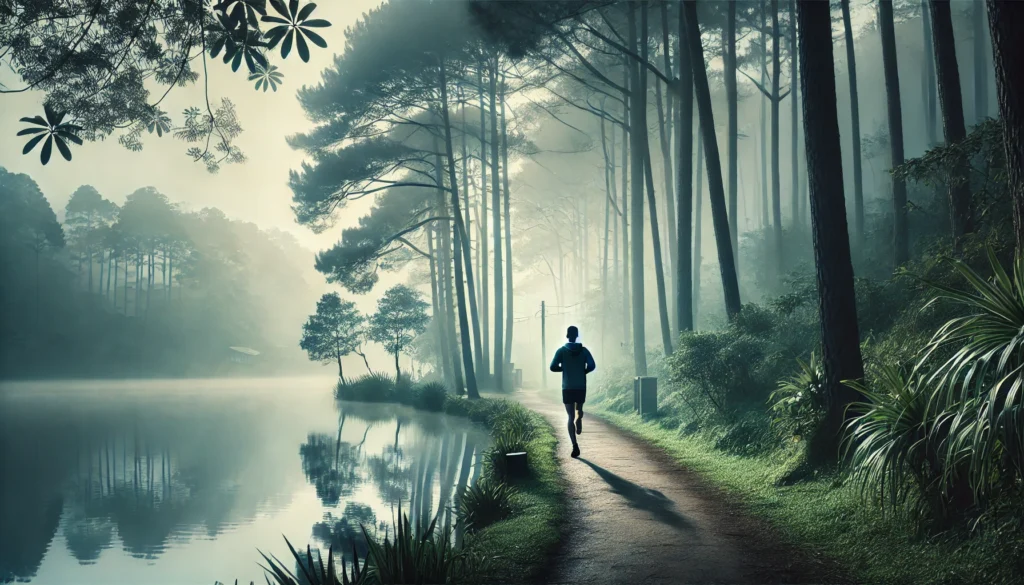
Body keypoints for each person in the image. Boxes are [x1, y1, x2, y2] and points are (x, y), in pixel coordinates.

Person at [549, 325, 596, 458]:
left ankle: (574, 445)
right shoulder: (584, 351)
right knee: (579, 409)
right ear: (577, 336)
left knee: (570, 416)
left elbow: (552, 367)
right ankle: (579, 417)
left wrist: (564, 369)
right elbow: (592, 365)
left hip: (567, 387)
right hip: (580, 386)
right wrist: (583, 371)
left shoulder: (561, 351)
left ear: (567, 335)